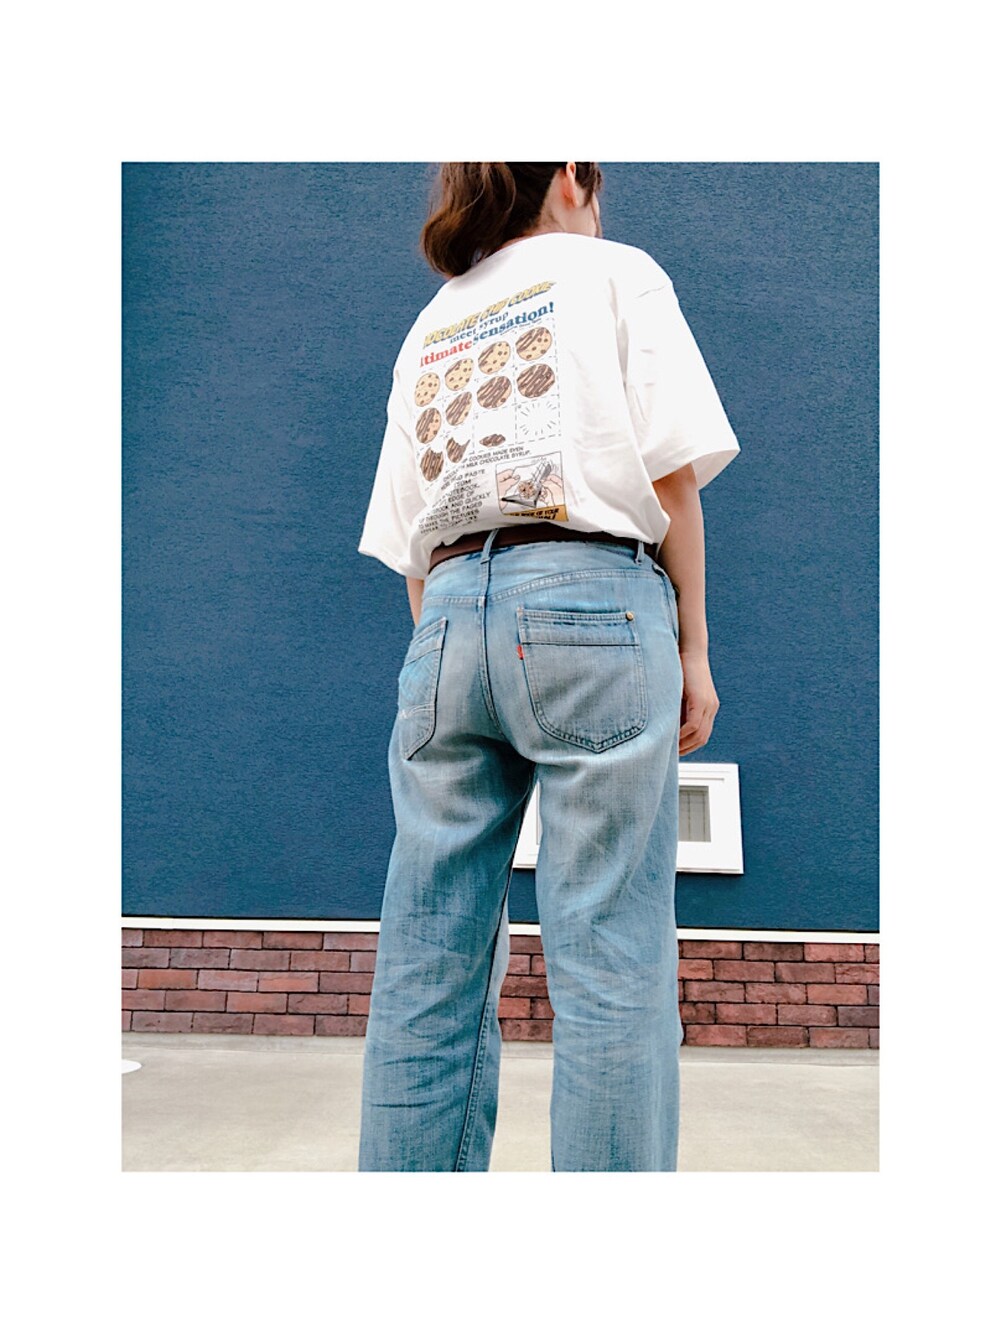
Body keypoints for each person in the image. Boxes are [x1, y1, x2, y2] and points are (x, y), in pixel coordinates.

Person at [355, 162, 741, 1171]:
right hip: (591, 599)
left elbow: (411, 541)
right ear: (569, 175)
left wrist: (457, 649)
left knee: (428, 962)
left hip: (444, 620)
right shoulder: (615, 272)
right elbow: (671, 478)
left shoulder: (432, 321)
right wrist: (694, 647)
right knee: (609, 952)